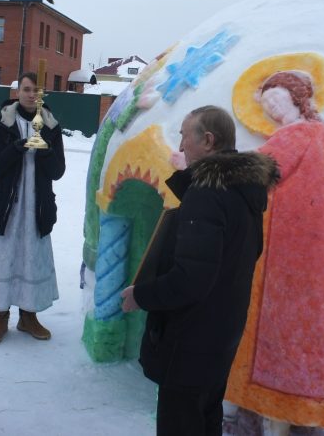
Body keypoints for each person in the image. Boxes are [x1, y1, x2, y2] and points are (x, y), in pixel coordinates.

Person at [120, 105, 279, 436]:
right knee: (206, 417)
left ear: (207, 140)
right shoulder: (243, 192)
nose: (180, 147)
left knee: (181, 422)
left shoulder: (206, 194)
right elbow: (247, 255)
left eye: (184, 136)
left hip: (190, 340)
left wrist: (142, 295)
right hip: (220, 334)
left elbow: (190, 280)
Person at [225, 71, 324, 433]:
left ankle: (276, 407)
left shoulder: (302, 133)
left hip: (295, 242)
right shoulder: (313, 134)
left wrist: (203, 167)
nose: (272, 109)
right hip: (293, 237)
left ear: (297, 100)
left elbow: (260, 166)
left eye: (277, 100)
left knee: (282, 320)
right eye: (266, 104)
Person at [0, 71, 65, 344]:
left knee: (31, 258)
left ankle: (29, 317)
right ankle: (0, 318)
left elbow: (58, 171)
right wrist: (15, 149)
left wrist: (45, 151)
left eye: (36, 90)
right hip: (7, 206)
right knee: (4, 258)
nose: (31, 94)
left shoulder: (51, 126)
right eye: (27, 89)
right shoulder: (2, 123)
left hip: (36, 207)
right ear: (18, 91)